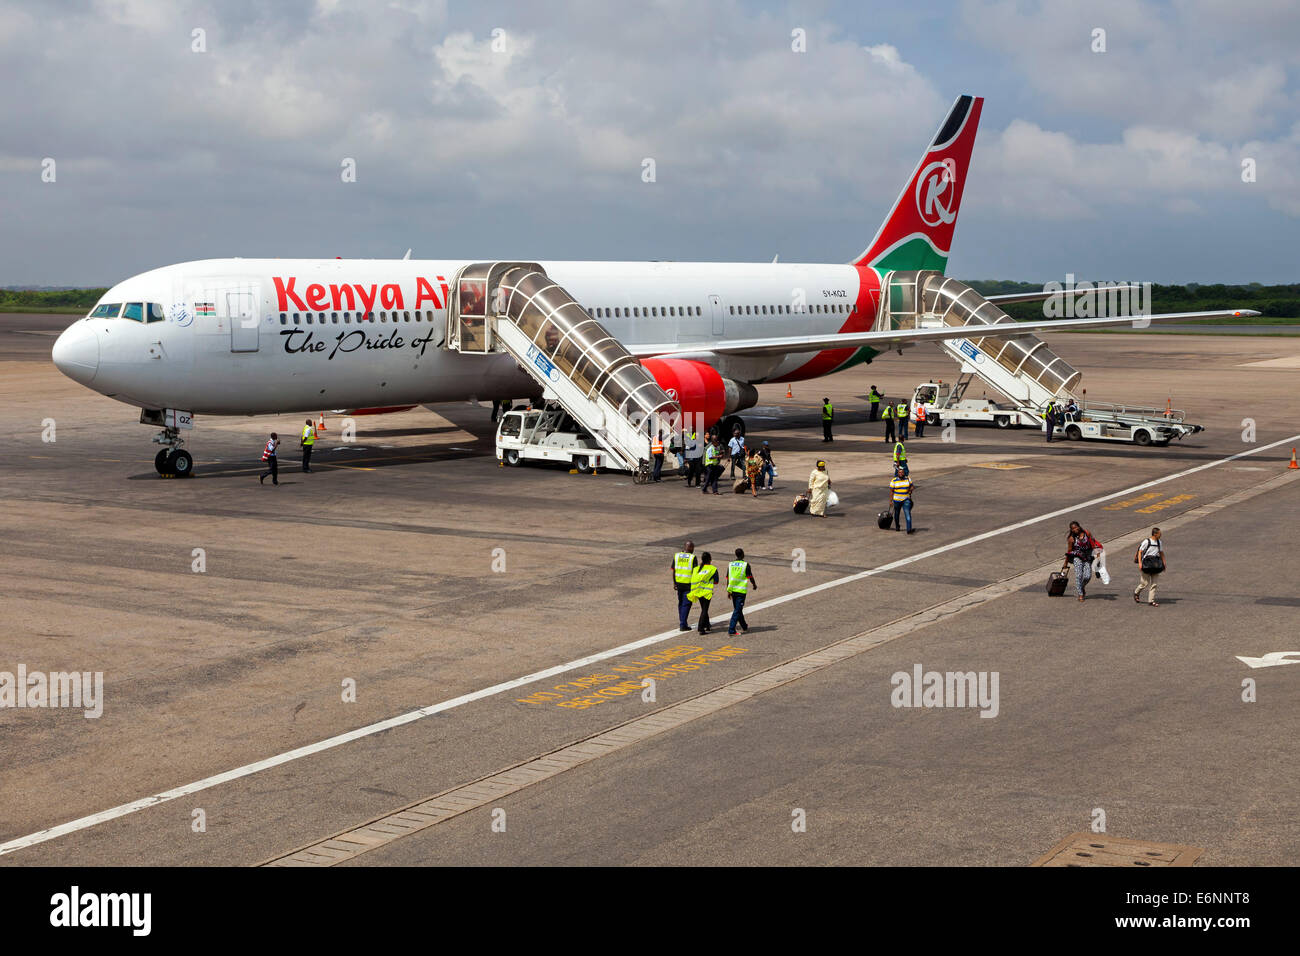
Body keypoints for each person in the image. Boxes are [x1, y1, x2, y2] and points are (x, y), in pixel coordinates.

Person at [726, 548, 758, 636]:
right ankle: (731, 629)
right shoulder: (745, 565)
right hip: (740, 591)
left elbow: (728, 578)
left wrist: (728, 590)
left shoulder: (731, 564)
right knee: (737, 610)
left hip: (732, 590)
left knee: (738, 609)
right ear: (743, 554)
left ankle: (744, 626)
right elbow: (750, 576)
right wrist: (754, 585)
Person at [1062, 520, 1095, 601]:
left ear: (1079, 526)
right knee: (1079, 575)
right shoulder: (1071, 539)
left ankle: (1082, 586)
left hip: (1087, 557)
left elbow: (1093, 543)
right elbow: (1069, 552)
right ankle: (1080, 594)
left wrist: (1097, 555)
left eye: (1076, 527)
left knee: (1087, 576)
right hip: (1077, 557)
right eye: (1073, 529)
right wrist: (1065, 563)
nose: (1075, 529)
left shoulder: (1087, 533)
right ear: (1071, 530)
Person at [688, 551, 719, 635]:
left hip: (697, 591)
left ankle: (707, 625)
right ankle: (701, 628)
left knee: (704, 609)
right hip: (706, 592)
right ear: (710, 559)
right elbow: (716, 582)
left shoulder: (696, 569)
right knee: (704, 610)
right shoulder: (712, 569)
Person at [1134, 527, 1166, 606]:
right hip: (1146, 564)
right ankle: (1136, 593)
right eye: (1159, 533)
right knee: (1144, 583)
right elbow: (1140, 552)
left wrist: (1164, 563)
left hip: (1156, 565)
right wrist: (1140, 563)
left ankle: (1151, 601)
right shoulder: (1146, 541)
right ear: (1155, 534)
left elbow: (1161, 553)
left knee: (1154, 584)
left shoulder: (1159, 542)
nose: (1161, 534)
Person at [672, 540, 699, 631]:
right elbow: (695, 573)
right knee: (686, 604)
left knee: (681, 603)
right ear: (690, 548)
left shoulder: (677, 556)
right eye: (692, 547)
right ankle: (683, 624)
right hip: (688, 585)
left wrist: (674, 583)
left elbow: (674, 570)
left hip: (679, 583)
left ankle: (683, 621)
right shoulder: (692, 557)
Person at [889, 465, 915, 533]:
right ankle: (897, 526)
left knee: (907, 514)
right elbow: (891, 491)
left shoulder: (908, 479)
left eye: (902, 472)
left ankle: (909, 529)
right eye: (900, 472)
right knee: (897, 514)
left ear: (904, 473)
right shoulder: (894, 480)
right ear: (898, 473)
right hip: (897, 500)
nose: (901, 474)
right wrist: (891, 501)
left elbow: (912, 486)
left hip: (906, 500)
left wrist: (910, 490)